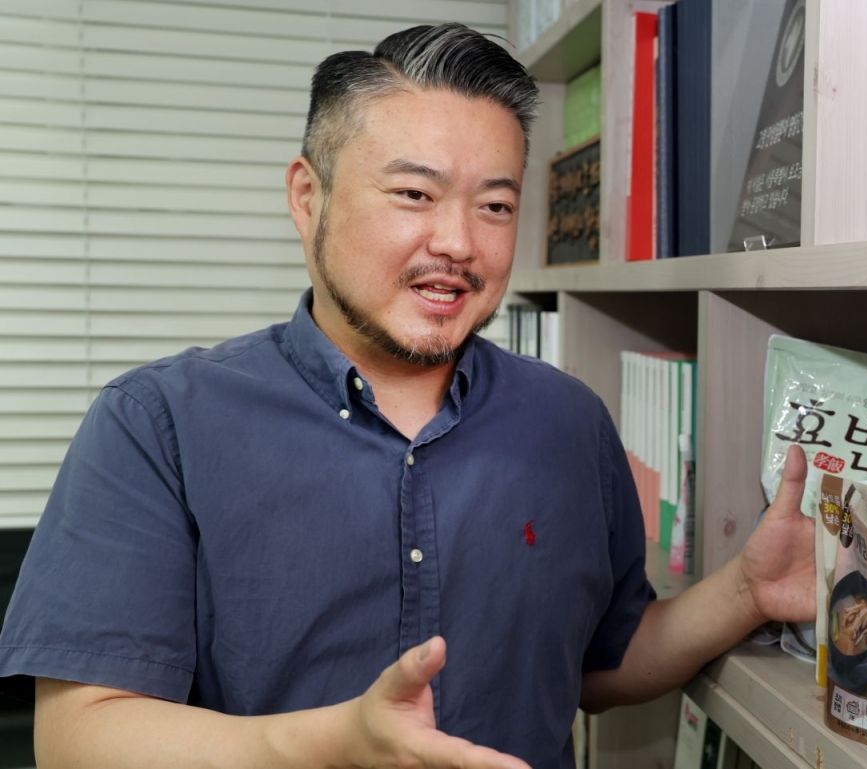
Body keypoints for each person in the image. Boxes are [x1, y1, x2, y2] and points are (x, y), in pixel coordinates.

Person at [0, 22, 814, 769]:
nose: (458, 242)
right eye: (415, 194)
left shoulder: (570, 422)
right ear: (307, 196)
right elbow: (77, 737)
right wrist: (334, 744)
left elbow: (603, 659)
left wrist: (746, 590)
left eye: (494, 205)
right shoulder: (158, 424)